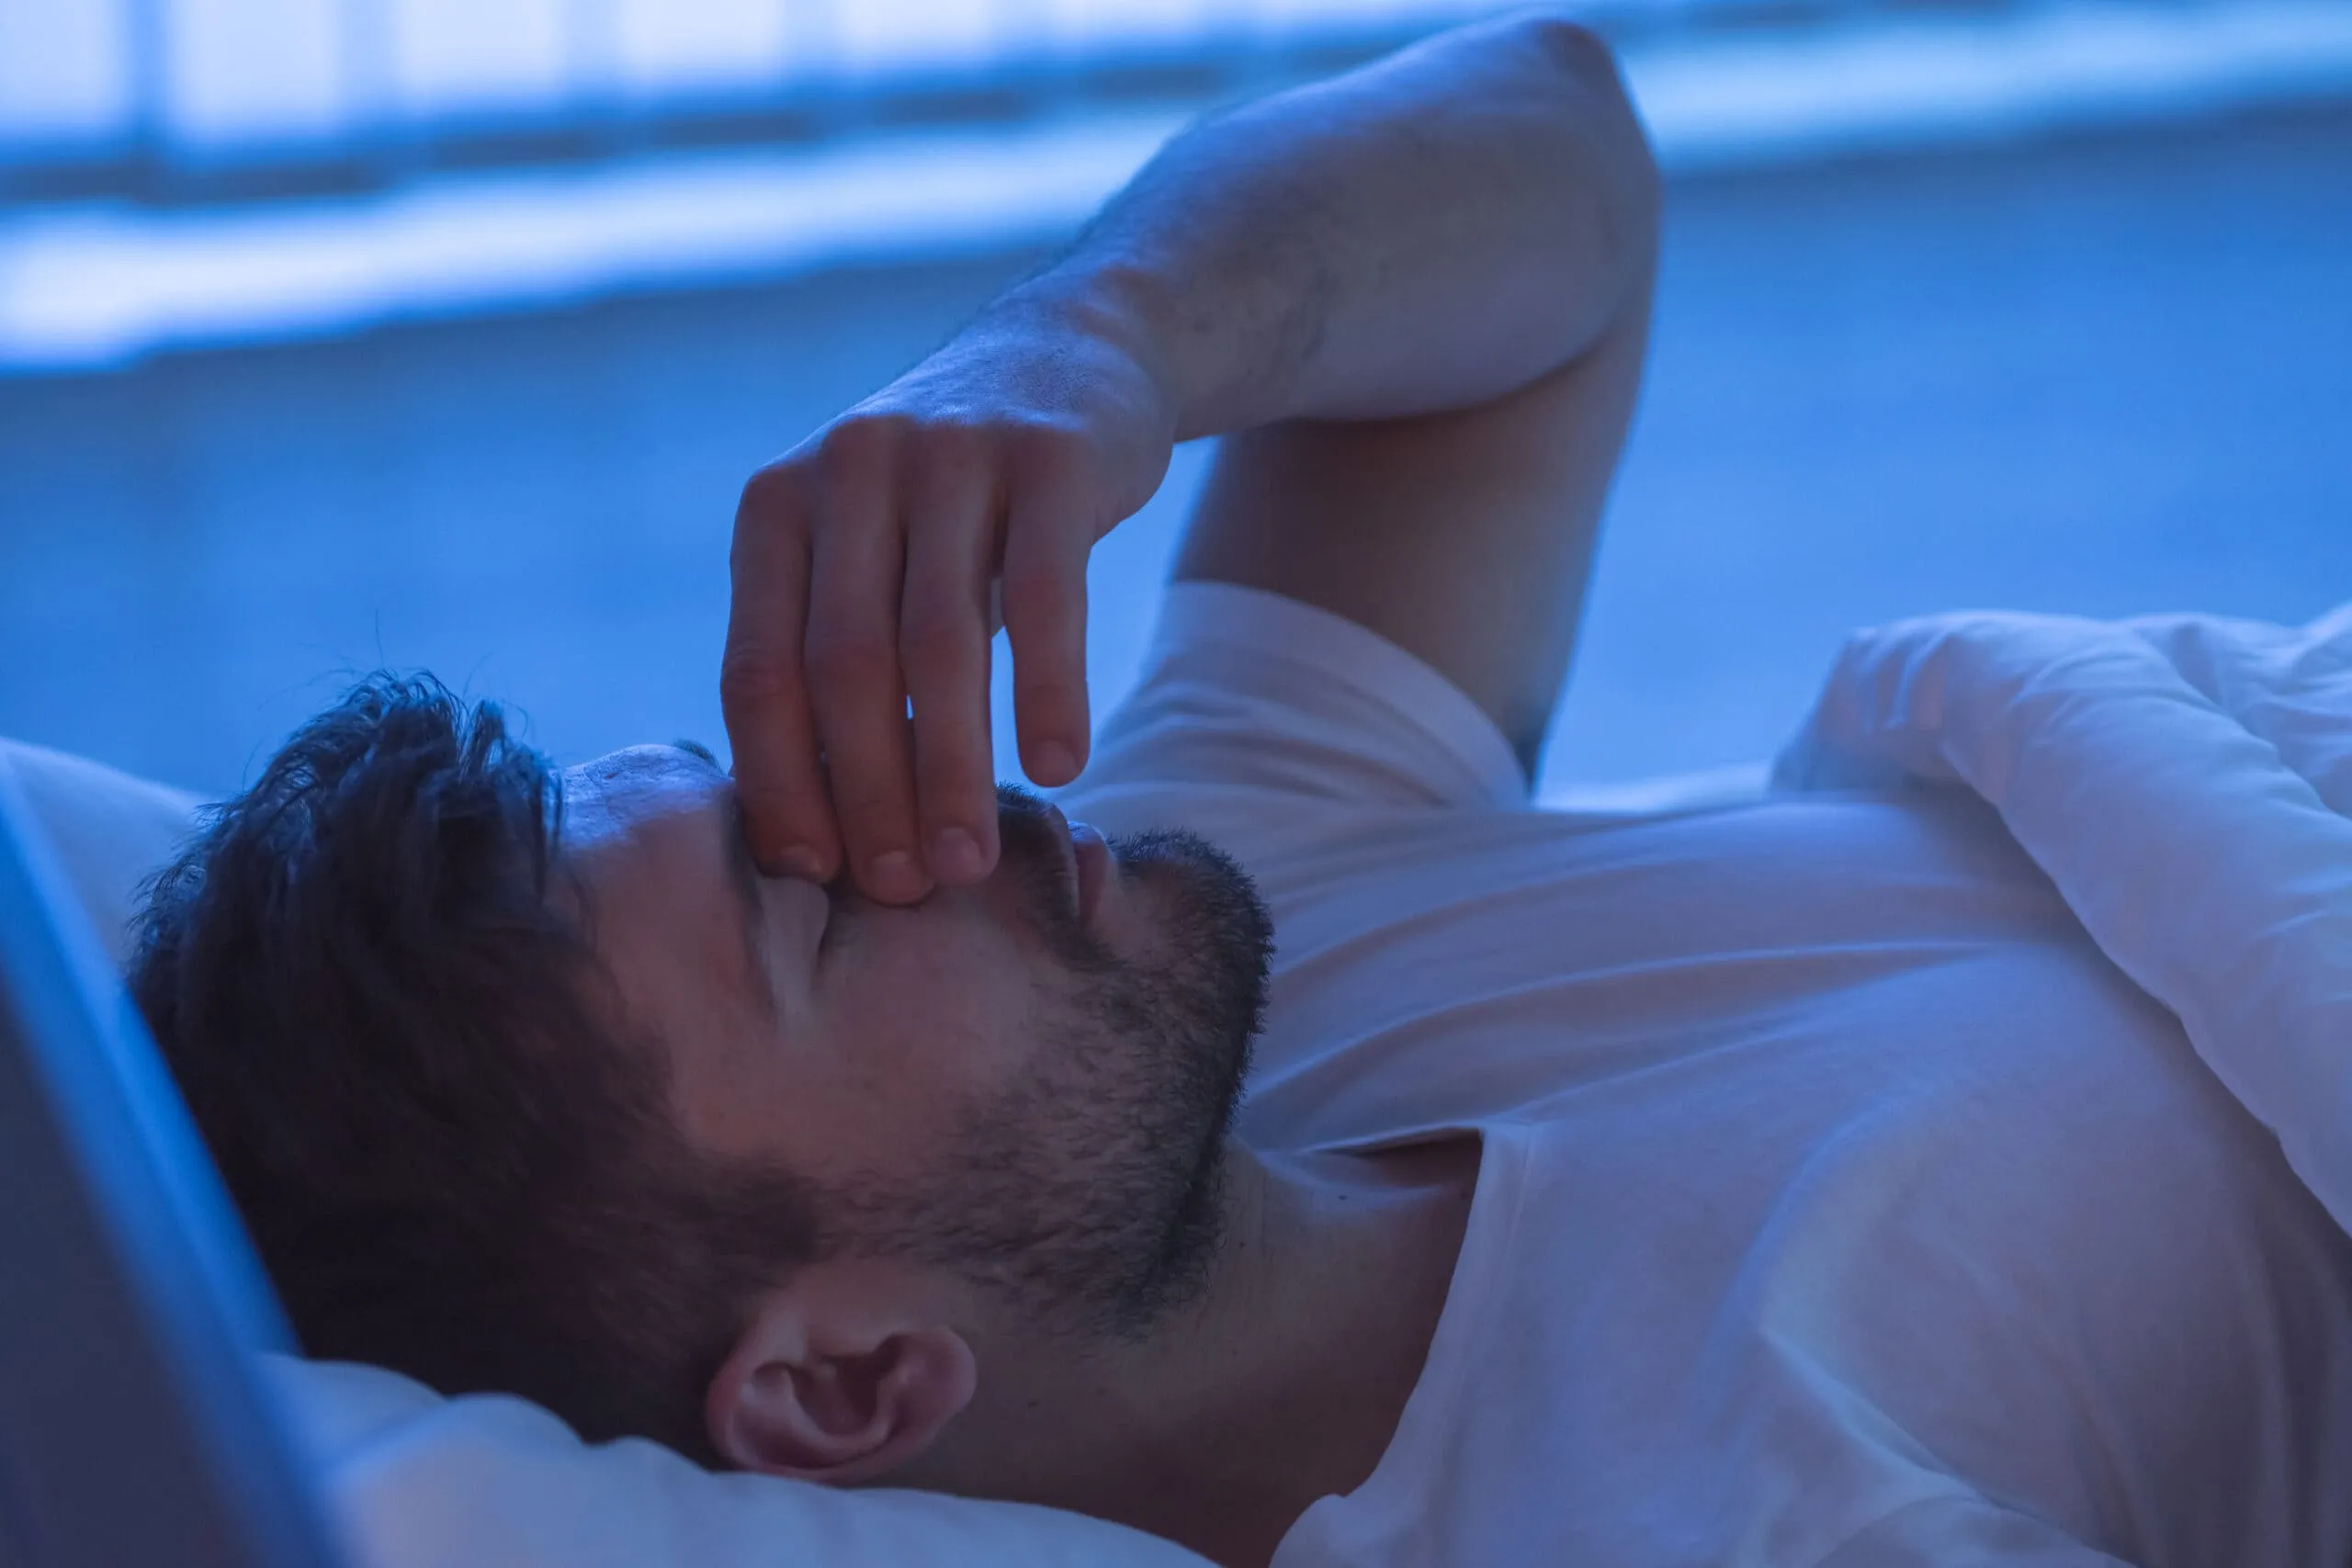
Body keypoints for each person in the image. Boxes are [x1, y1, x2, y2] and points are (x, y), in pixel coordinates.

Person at [130, 13, 2352, 1568]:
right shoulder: (1700, 1523)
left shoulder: (1235, 963)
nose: (936, 806)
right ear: (841, 1391)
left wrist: (1096, 339)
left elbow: (1553, 146)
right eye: (810, 910)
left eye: (765, 786)